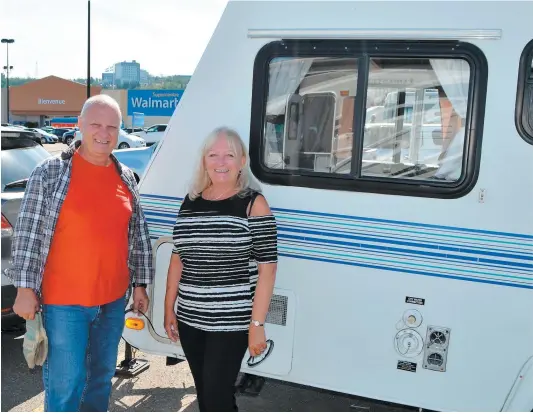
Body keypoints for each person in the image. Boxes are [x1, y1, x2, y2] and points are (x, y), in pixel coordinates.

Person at [7, 94, 154, 412]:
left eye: (112, 126)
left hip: (113, 301)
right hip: (65, 305)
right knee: (66, 386)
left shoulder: (126, 178)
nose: (104, 133)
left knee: (100, 380)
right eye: (96, 124)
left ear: (120, 131)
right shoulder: (50, 173)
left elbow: (137, 236)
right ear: (79, 126)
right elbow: (28, 237)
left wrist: (140, 284)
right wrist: (24, 289)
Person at [164, 126, 278, 411]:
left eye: (229, 155)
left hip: (231, 323)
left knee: (216, 397)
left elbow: (268, 268)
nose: (220, 162)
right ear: (204, 161)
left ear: (242, 162)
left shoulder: (254, 203)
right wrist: (169, 308)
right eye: (213, 154)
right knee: (205, 394)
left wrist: (257, 326)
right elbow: (178, 257)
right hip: (190, 319)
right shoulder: (191, 201)